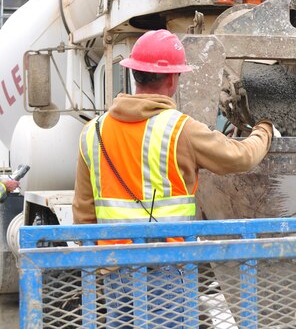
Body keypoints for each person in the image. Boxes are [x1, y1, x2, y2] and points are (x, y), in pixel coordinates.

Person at [72, 29, 275, 327]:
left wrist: (103, 263)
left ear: (134, 74)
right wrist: (264, 129)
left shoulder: (94, 132)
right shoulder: (180, 129)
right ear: (171, 79)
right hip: (166, 267)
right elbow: (240, 157)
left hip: (113, 268)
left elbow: (83, 214)